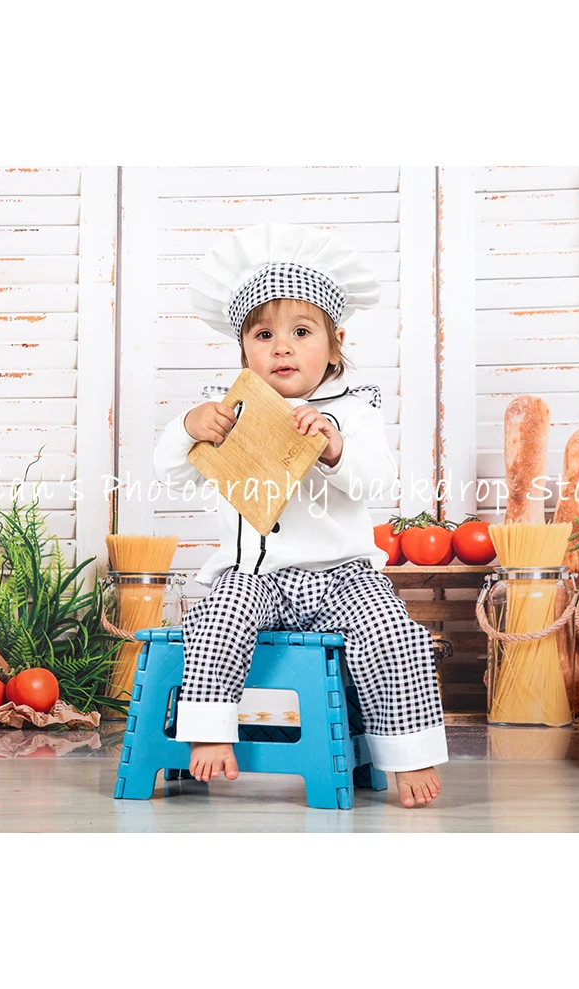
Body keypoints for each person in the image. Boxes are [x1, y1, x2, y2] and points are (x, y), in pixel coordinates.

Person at [153, 222, 446, 808]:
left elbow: (376, 481)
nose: (281, 346)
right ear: (244, 352)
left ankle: (408, 753)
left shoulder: (353, 413)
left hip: (342, 574)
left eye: (301, 331)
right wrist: (189, 428)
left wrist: (334, 445)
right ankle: (210, 728)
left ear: (335, 346)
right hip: (255, 574)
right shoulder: (228, 411)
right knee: (218, 613)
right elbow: (172, 473)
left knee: (394, 632)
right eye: (263, 334)